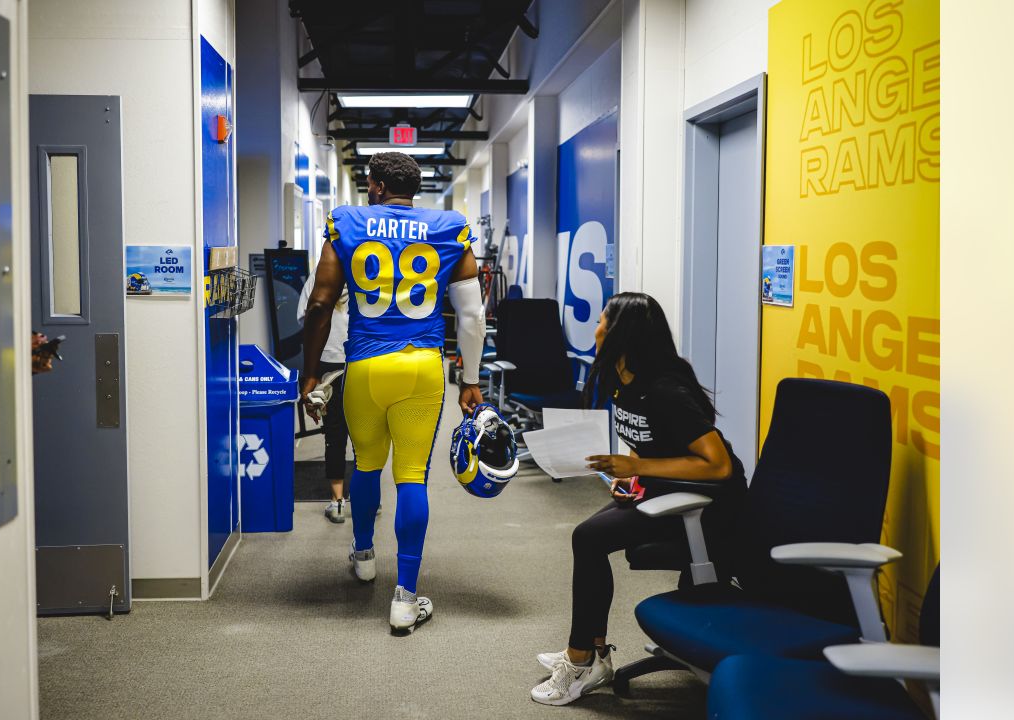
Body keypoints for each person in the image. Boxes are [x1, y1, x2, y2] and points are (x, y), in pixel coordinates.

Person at [300, 151, 486, 634]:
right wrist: (470, 379)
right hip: (423, 366)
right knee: (411, 477)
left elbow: (321, 303)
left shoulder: (348, 221)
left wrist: (310, 372)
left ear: (377, 185)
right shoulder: (449, 227)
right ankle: (404, 599)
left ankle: (364, 555)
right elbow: (472, 316)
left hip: (365, 364)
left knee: (366, 464)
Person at [530, 292, 747, 706]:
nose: (593, 330)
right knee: (589, 539)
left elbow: (719, 466)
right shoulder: (622, 381)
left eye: (600, 322)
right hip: (667, 487)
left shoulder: (665, 389)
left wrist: (639, 470)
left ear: (621, 335)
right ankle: (591, 653)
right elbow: (643, 445)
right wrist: (631, 477)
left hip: (709, 505)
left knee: (588, 538)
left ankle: (580, 662)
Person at [296, 277, 352, 523]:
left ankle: (337, 502)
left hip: (329, 361)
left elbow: (305, 317)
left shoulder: (320, 276)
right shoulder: (368, 269)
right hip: (363, 359)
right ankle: (370, 496)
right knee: (368, 434)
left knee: (334, 433)